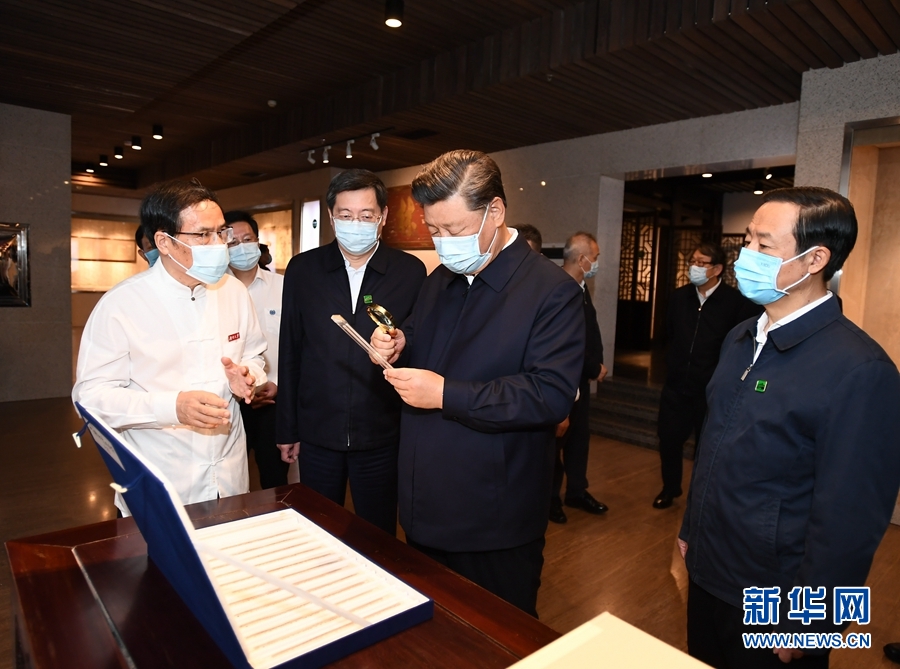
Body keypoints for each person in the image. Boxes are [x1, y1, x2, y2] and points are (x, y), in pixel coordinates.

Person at [679, 187, 900, 668]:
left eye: (764, 245)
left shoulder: (860, 370)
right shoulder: (740, 338)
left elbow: (852, 518)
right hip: (709, 572)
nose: (746, 255)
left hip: (775, 602)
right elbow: (715, 443)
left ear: (815, 259)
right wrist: (691, 527)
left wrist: (814, 622)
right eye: (747, 241)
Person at [370, 150, 585, 617]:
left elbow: (548, 395)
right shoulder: (441, 279)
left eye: (455, 230)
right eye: (435, 231)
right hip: (426, 505)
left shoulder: (552, 292)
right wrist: (399, 343)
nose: (444, 244)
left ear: (496, 211)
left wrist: (445, 394)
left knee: (496, 637)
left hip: (493, 519)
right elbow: (423, 339)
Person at [73, 180, 268, 515]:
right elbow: (89, 398)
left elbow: (254, 354)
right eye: (203, 235)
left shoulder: (234, 291)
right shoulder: (122, 304)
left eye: (221, 232)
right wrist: (171, 408)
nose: (218, 244)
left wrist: (249, 375)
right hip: (161, 474)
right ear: (164, 242)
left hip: (228, 473)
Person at [276, 169, 426, 536]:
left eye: (366, 215)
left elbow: (420, 344)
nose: (354, 224)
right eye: (345, 215)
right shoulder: (303, 270)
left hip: (382, 432)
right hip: (317, 430)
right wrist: (287, 428)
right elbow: (290, 349)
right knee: (316, 528)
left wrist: (400, 344)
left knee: (378, 534)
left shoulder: (409, 272)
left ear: (383, 216)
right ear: (331, 217)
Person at [652, 243, 759, 510]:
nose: (695, 267)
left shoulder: (735, 303)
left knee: (707, 446)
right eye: (693, 261)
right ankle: (669, 488)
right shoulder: (679, 297)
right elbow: (669, 334)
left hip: (711, 390)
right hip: (676, 385)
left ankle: (700, 495)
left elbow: (741, 346)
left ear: (717, 269)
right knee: (669, 439)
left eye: (702, 263)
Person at [225, 210, 288, 489]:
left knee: (275, 482)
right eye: (232, 242)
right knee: (230, 481)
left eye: (247, 239)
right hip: (230, 404)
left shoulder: (284, 287)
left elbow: (297, 345)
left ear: (258, 241)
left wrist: (278, 384)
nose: (241, 247)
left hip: (274, 401)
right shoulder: (213, 292)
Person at [548, 232, 608, 525]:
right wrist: (593, 367)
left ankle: (576, 491)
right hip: (561, 382)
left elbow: (588, 333)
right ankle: (550, 500)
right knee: (554, 446)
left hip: (581, 383)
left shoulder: (582, 287)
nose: (596, 263)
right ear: (582, 258)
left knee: (579, 440)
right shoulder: (558, 288)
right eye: (595, 258)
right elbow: (565, 344)